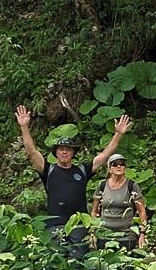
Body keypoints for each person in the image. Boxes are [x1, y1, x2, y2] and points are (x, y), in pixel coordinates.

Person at [17, 105, 131, 251]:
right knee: (55, 264)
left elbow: (105, 155)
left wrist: (118, 134)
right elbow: (32, 152)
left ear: (73, 153)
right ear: (56, 153)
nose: (64, 152)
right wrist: (24, 127)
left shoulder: (82, 170)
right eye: (61, 149)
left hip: (79, 225)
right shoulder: (48, 170)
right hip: (54, 225)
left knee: (79, 262)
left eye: (68, 149)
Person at [92, 152, 148, 252]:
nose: (119, 166)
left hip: (126, 235)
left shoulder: (131, 185)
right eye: (114, 164)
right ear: (109, 169)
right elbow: (95, 211)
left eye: (122, 164)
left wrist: (142, 233)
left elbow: (142, 211)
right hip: (105, 234)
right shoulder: (102, 185)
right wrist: (92, 232)